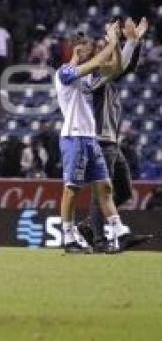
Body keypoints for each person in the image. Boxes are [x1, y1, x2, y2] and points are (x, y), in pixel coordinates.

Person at [53, 23, 132, 254]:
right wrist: (111, 40)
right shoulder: (64, 72)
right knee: (72, 190)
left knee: (105, 187)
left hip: (90, 138)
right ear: (76, 50)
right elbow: (98, 63)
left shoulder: (88, 78)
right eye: (87, 48)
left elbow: (115, 67)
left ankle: (118, 231)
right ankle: (68, 237)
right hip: (73, 137)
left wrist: (115, 45)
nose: (93, 52)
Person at [80, 18, 152, 251]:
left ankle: (91, 225)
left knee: (124, 191)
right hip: (100, 141)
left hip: (112, 143)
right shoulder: (94, 77)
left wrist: (135, 42)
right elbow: (121, 67)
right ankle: (100, 240)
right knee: (102, 192)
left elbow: (128, 66)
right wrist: (126, 41)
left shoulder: (108, 77)